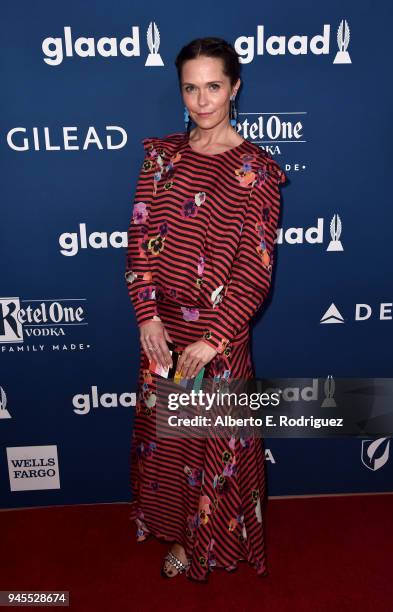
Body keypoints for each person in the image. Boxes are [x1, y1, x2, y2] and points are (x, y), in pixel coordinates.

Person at [125, 36, 287, 582]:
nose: (202, 101)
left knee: (210, 453)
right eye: (191, 88)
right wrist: (146, 314)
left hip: (216, 342)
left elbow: (254, 270)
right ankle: (177, 533)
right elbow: (140, 237)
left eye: (213, 86)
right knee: (170, 448)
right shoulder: (162, 157)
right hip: (163, 335)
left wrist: (213, 339)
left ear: (235, 87)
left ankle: (208, 547)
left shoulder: (257, 174)